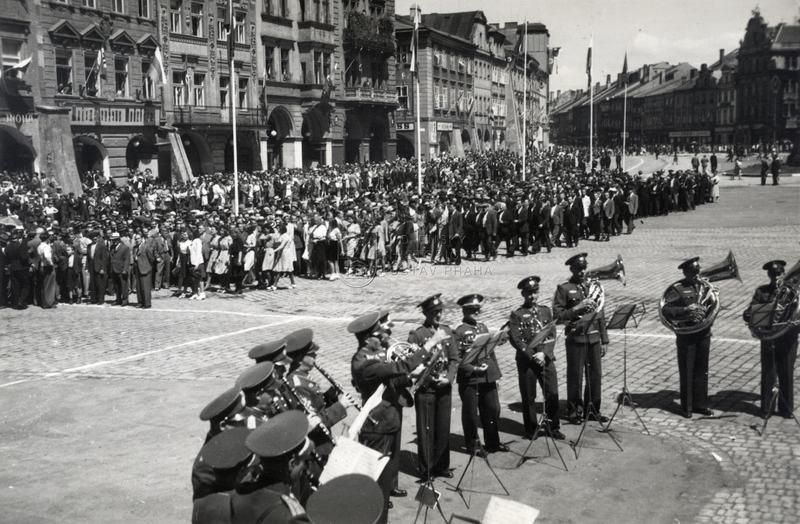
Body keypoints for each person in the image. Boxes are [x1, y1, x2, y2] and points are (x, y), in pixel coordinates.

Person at [349, 311, 441, 516]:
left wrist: (410, 379)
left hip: (387, 419)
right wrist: (429, 345)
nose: (383, 337)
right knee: (376, 477)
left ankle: (381, 507)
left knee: (385, 473)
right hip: (377, 423)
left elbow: (392, 379)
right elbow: (401, 366)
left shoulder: (376, 355)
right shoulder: (364, 362)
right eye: (378, 334)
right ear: (368, 338)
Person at [552, 253, 609, 424]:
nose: (582, 272)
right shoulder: (564, 288)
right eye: (579, 269)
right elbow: (558, 315)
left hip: (593, 338)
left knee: (595, 375)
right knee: (575, 376)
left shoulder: (593, 287)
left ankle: (592, 410)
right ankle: (574, 412)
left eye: (584, 268)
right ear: (572, 269)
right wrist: (577, 307)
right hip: (576, 339)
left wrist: (604, 339)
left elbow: (601, 313)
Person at [407, 294, 458, 480]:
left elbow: (454, 359)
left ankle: (442, 466)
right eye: (434, 312)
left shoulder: (447, 331)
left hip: (444, 387)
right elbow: (412, 363)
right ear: (426, 313)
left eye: (440, 311)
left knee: (443, 428)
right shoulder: (417, 335)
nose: (438, 315)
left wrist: (449, 378)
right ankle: (426, 469)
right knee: (426, 429)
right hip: (426, 389)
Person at [508, 276, 565, 440]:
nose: (533, 296)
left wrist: (544, 353)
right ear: (523, 295)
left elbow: (552, 334)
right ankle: (531, 428)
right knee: (529, 396)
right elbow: (516, 340)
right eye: (529, 294)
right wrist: (533, 355)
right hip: (527, 362)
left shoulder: (546, 311)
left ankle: (553, 426)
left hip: (545, 358)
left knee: (552, 393)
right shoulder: (517, 315)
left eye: (535, 292)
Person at [661, 257, 715, 418]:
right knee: (687, 370)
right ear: (685, 273)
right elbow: (666, 310)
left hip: (703, 333)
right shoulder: (677, 289)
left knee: (702, 370)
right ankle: (687, 407)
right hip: (686, 334)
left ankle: (701, 404)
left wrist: (711, 303)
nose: (697, 275)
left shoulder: (705, 288)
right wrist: (686, 310)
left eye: (698, 271)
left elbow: (713, 307)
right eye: (693, 272)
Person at [743, 260, 798, 418]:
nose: (777, 278)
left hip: (788, 338)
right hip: (769, 338)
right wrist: (768, 309)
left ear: (784, 273)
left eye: (780, 274)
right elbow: (748, 314)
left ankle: (786, 409)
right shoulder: (762, 292)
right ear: (769, 275)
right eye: (773, 275)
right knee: (768, 373)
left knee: (786, 372)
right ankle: (766, 409)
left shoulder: (794, 292)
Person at [454, 294, 507, 455]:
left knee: (493, 409)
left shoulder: (482, 327)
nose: (476, 313)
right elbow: (456, 358)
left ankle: (493, 442)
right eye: (472, 310)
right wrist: (472, 369)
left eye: (478, 310)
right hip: (470, 379)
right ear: (464, 311)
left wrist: (494, 374)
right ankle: (473, 445)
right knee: (471, 414)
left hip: (486, 376)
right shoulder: (458, 331)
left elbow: (489, 352)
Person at [133, 232, 156, 308]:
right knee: (139, 288)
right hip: (137, 269)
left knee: (145, 288)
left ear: (142, 239)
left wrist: (148, 267)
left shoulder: (146, 247)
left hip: (145, 269)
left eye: (138, 238)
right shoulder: (135, 248)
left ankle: (147, 304)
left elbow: (151, 258)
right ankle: (140, 302)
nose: (137, 240)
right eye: (135, 239)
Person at [109, 232, 131, 306]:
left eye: (114, 240)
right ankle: (118, 299)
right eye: (112, 240)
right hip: (114, 269)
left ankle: (125, 299)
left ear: (118, 239)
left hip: (121, 270)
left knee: (124, 286)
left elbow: (127, 260)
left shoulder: (125, 248)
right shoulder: (112, 247)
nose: (113, 241)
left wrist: (125, 269)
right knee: (116, 286)